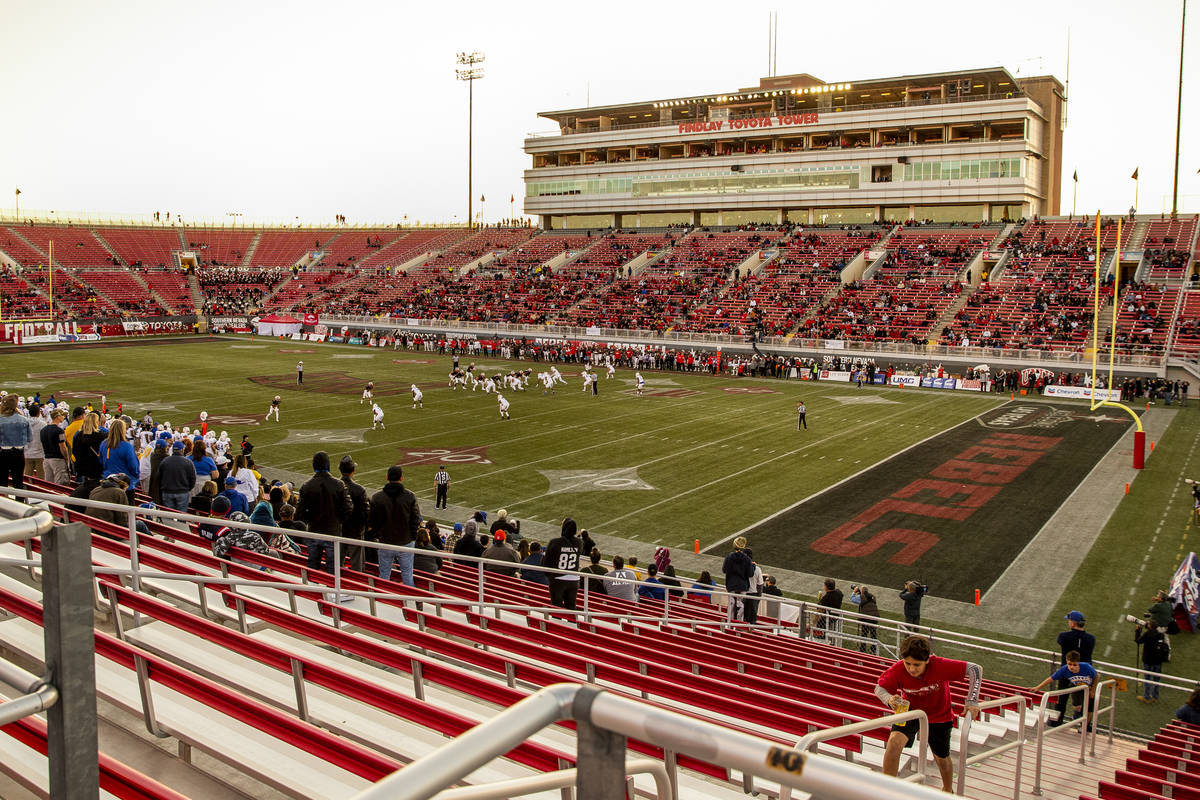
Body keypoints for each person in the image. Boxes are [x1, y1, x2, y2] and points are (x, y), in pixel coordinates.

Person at [877, 635, 982, 793]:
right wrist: (889, 699)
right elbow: (879, 688)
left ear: (927, 660)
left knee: (941, 759)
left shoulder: (939, 665)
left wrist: (972, 701)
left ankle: (947, 790)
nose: (912, 669)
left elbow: (975, 669)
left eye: (917, 665)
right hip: (911, 712)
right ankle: (886, 791)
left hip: (939, 716)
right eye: (908, 664)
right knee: (893, 744)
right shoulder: (898, 669)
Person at [296, 451, 352, 576]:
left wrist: (310, 519)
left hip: (315, 530)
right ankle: (331, 594)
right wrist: (338, 520)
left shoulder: (307, 486)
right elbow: (348, 508)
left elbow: (299, 512)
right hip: (333, 531)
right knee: (332, 570)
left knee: (313, 568)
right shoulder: (339, 484)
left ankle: (312, 593)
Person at [366, 464, 420, 585]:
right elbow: (415, 519)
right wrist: (412, 536)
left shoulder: (377, 497)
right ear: (401, 478)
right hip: (405, 542)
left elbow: (373, 521)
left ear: (387, 477)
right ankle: (409, 601)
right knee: (407, 575)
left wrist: (378, 535)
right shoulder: (410, 497)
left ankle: (384, 601)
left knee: (384, 575)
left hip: (386, 541)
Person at [1032, 651, 1099, 729]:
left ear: (1078, 663)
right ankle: (1077, 712)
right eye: (1070, 664)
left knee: (1090, 707)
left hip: (1089, 687)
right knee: (1078, 705)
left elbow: (1096, 676)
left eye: (1075, 665)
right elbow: (1051, 678)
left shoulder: (1086, 667)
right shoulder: (1064, 669)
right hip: (1076, 686)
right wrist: (1038, 687)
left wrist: (1093, 690)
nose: (1072, 667)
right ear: (1067, 662)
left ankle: (1085, 727)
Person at [1055, 611, 1096, 719]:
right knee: (1086, 700)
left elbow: (1060, 641)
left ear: (1073, 623)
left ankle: (1056, 721)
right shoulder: (1091, 639)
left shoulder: (1063, 636)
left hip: (1066, 672)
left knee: (1061, 699)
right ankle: (1085, 726)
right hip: (1085, 674)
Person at [338, 456, 371, 572]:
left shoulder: (335, 486)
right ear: (353, 471)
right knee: (357, 565)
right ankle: (356, 586)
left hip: (339, 529)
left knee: (337, 562)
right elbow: (365, 513)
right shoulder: (359, 489)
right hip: (355, 531)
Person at [543, 517, 583, 609]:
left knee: (556, 607)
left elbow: (546, 562)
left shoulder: (554, 542)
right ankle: (572, 623)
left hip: (558, 579)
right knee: (571, 608)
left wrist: (550, 576)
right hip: (574, 579)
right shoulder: (579, 543)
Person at [0, 394, 33, 488]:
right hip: (18, 453)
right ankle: (20, 501)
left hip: (3, 453)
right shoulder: (24, 420)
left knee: (2, 483)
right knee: (18, 482)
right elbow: (30, 438)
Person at [1135, 620, 1169, 702]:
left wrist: (1137, 631)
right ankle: (1155, 696)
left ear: (1150, 626)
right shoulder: (1160, 635)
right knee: (1157, 679)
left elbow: (1138, 641)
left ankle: (1147, 696)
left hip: (1148, 660)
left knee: (1147, 678)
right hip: (1158, 661)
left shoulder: (1148, 634)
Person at [159, 440, 197, 512]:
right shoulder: (187, 462)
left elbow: (159, 477)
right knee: (181, 516)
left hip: (168, 491)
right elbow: (192, 478)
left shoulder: (165, 461)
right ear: (182, 450)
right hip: (182, 492)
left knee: (168, 515)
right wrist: (187, 488)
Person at [722, 536, 754, 622]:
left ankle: (729, 624)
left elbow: (724, 570)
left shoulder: (729, 557)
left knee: (731, 605)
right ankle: (739, 624)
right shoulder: (747, 559)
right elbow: (751, 574)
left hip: (731, 584)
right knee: (741, 605)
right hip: (742, 585)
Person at [71, 413, 106, 488]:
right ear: (96, 422)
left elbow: (75, 452)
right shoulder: (101, 435)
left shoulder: (78, 435)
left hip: (83, 468)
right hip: (97, 468)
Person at [40, 408, 70, 485]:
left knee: (49, 484)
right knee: (60, 484)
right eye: (62, 415)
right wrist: (66, 458)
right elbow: (62, 447)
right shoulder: (59, 431)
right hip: (57, 459)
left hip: (46, 459)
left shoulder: (43, 430)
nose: (64, 417)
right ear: (58, 416)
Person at [22, 403, 45, 480]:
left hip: (27, 453)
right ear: (39, 413)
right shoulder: (42, 424)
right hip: (40, 453)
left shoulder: (24, 423)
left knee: (27, 477)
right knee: (41, 479)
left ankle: (26, 491)